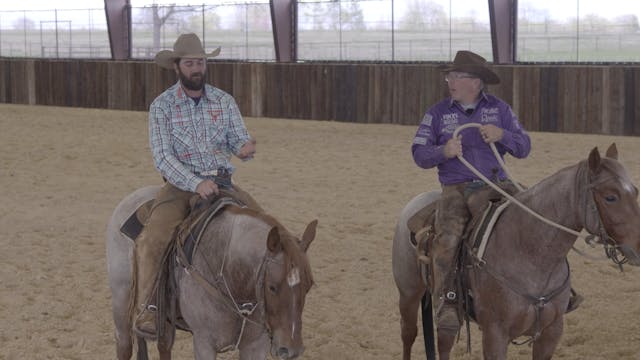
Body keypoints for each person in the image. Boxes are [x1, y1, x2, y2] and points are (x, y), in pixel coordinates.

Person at [133, 33, 260, 338]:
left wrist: (244, 147)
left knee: (266, 234)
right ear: (176, 67)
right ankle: (148, 308)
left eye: (201, 62)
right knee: (153, 238)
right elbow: (162, 157)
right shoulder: (162, 107)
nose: (196, 68)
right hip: (180, 186)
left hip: (222, 182)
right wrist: (195, 182)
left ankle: (263, 305)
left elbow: (236, 137)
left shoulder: (223, 100)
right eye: (189, 63)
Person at [410, 50, 532, 335]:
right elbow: (418, 153)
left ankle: (554, 288)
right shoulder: (437, 113)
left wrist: (503, 135)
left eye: (456, 76)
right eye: (448, 76)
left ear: (475, 82)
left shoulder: (500, 110)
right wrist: (444, 150)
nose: (450, 81)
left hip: (498, 184)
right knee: (449, 235)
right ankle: (448, 301)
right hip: (457, 188)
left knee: (534, 215)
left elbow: (525, 147)